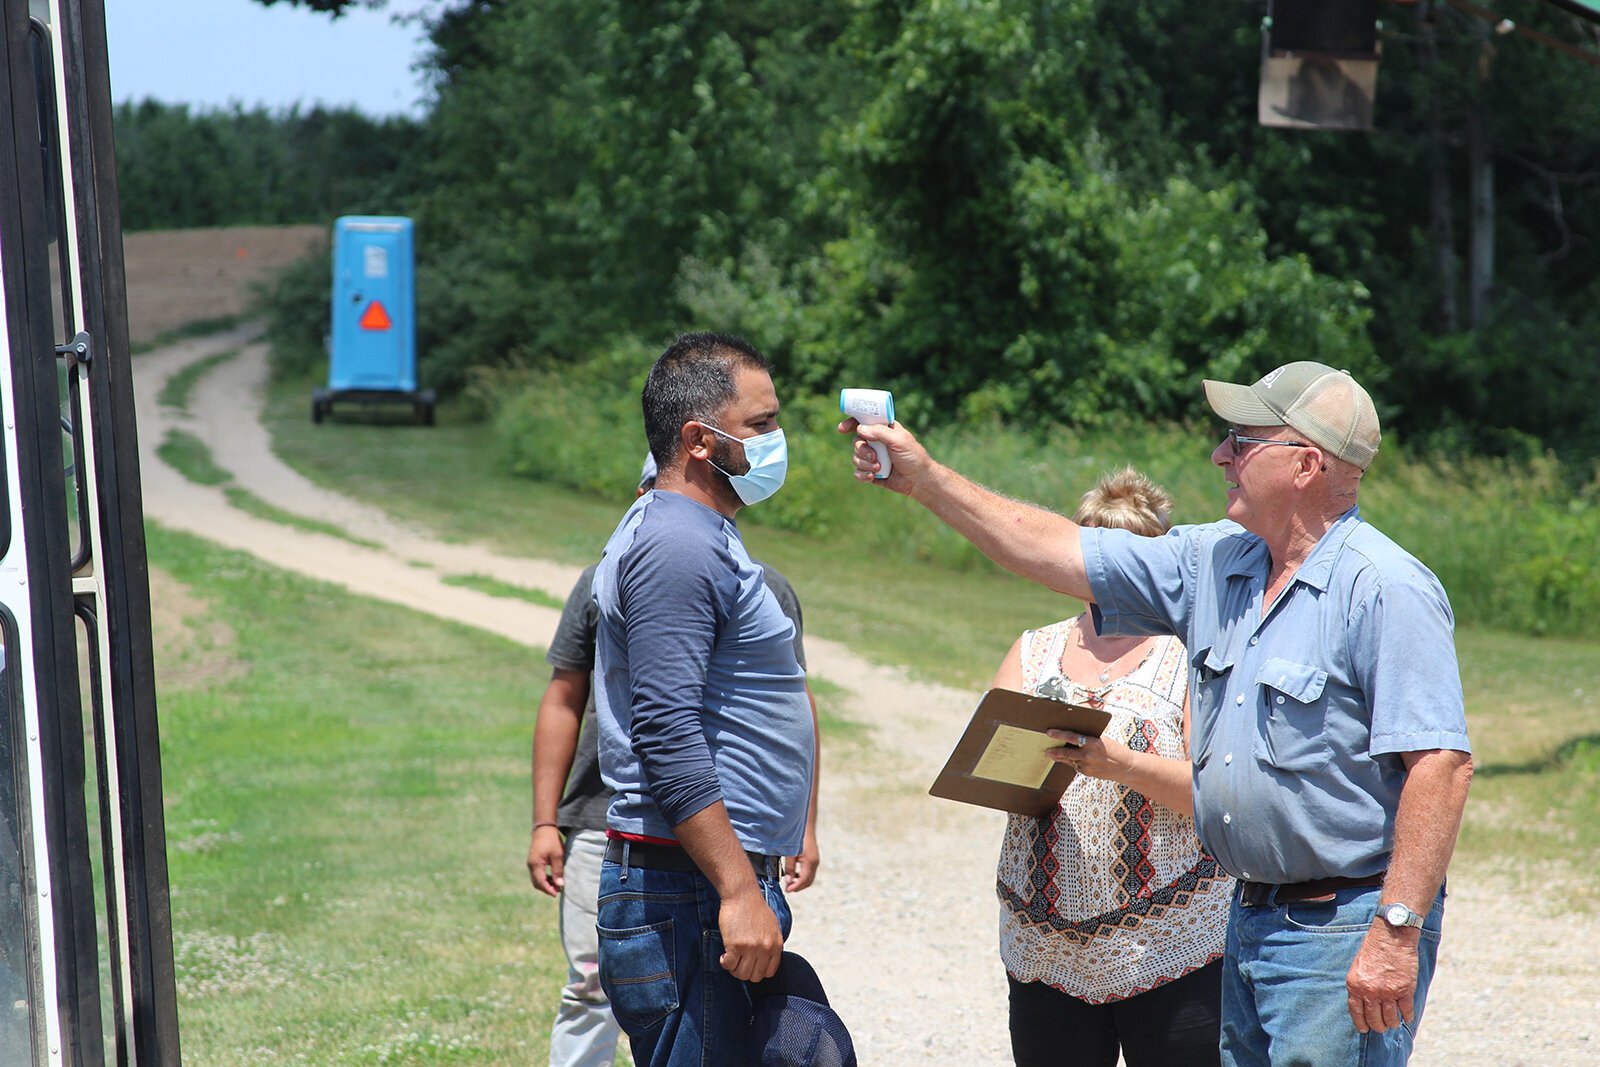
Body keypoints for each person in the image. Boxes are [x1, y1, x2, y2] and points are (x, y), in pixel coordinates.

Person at [841, 361, 1473, 1066]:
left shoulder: (1386, 587)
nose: (1220, 455)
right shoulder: (1217, 563)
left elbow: (1440, 766)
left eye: (1241, 440)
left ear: (1307, 463)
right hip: (1249, 917)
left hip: (1340, 929)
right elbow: (1058, 550)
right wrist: (927, 478)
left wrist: (1396, 929)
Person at [526, 454, 821, 1067]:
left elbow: (791, 705)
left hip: (716, 842)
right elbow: (623, 716)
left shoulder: (760, 585)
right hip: (636, 833)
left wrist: (803, 825)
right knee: (591, 988)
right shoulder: (649, 563)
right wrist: (545, 819)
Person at [592, 332, 830, 1066]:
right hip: (686, 890)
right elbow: (665, 731)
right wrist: (734, 889)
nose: (776, 439)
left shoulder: (694, 532)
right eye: (760, 424)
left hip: (691, 885)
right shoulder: (678, 544)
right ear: (700, 438)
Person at [993, 468, 1232, 1067]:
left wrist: (1116, 763)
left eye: (1126, 557)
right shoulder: (1035, 648)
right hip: (1046, 940)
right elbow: (993, 772)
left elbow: (1217, 796)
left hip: (1173, 936)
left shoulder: (1190, 655)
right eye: (1094, 553)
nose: (1107, 575)